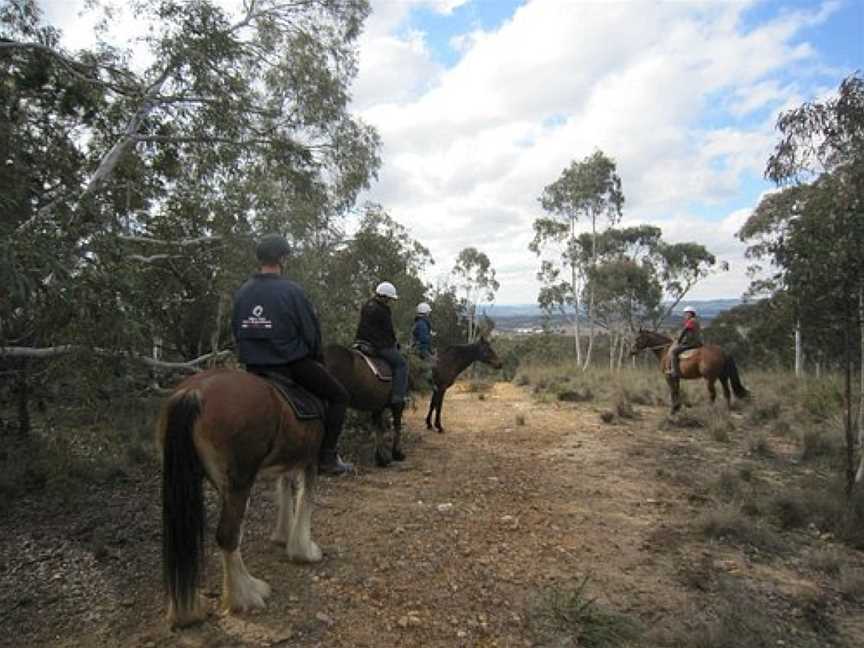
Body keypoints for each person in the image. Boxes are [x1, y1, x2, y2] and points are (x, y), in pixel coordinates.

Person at [231, 234, 352, 476]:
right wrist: (316, 357)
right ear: (283, 258)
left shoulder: (243, 291)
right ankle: (327, 457)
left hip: (253, 367)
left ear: (260, 259)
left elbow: (235, 329)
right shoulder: (292, 291)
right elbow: (310, 331)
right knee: (340, 396)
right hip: (289, 364)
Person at [354, 281, 408, 406]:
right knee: (402, 365)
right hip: (377, 345)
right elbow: (388, 331)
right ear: (384, 297)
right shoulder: (383, 310)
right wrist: (394, 344)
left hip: (360, 342)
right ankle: (398, 397)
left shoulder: (367, 305)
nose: (389, 301)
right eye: (389, 299)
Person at [669, 306, 703, 378]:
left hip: (691, 343)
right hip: (698, 343)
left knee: (673, 352)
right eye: (685, 314)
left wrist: (679, 340)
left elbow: (684, 331)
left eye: (686, 313)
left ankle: (674, 372)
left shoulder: (691, 321)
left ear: (691, 314)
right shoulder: (696, 321)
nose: (685, 315)